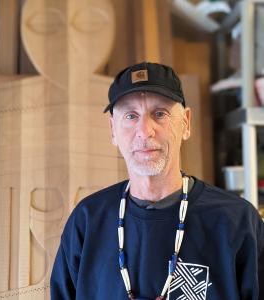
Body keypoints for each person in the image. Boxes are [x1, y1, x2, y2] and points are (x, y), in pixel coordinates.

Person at [50, 62, 264, 300]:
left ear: (186, 123)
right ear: (113, 130)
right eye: (131, 116)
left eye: (159, 113)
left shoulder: (236, 221)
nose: (145, 131)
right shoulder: (87, 220)